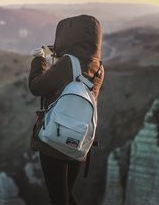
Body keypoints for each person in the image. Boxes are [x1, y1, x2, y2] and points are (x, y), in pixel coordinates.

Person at [28, 14, 104, 205]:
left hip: (55, 139)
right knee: (67, 196)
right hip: (79, 140)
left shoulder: (69, 62)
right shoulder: (99, 68)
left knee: (58, 199)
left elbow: (36, 87)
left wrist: (39, 59)